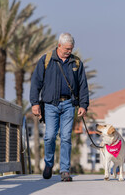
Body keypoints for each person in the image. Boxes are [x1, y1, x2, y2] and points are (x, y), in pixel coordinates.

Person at [30, 33, 89, 182]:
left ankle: (64, 170)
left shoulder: (76, 63)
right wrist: (35, 103)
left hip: (69, 104)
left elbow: (83, 85)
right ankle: (49, 164)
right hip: (50, 105)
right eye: (67, 49)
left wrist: (83, 105)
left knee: (66, 137)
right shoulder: (46, 60)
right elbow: (36, 82)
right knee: (49, 136)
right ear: (59, 46)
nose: (69, 51)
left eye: (71, 49)